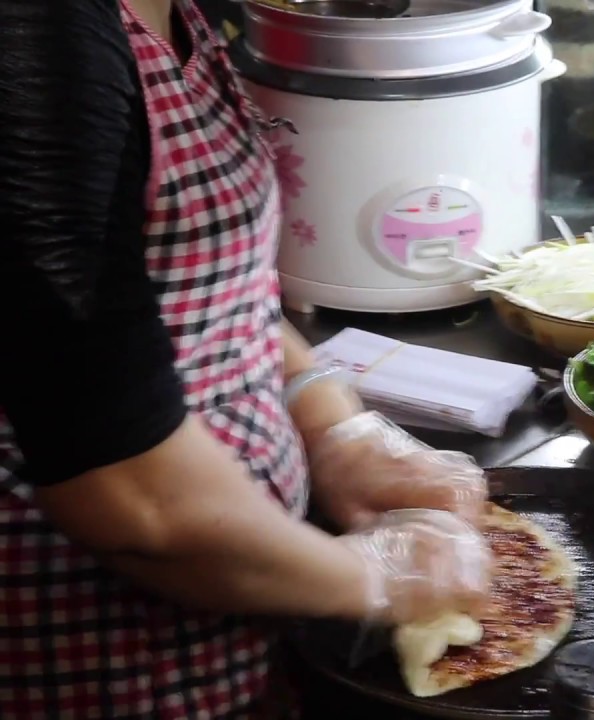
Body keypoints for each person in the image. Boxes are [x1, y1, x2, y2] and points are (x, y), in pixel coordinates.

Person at [0, 0, 494, 717]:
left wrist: (327, 420)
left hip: (240, 581)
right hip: (95, 644)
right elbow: (127, 494)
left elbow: (202, 281)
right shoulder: (39, 35)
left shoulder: (176, 10)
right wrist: (371, 578)